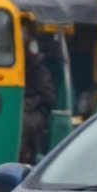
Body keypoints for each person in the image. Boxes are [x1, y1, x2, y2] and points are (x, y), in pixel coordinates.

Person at [20, 27, 57, 164]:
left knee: (24, 123)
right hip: (16, 108)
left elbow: (49, 97)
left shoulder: (37, 69)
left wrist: (28, 103)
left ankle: (26, 160)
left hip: (34, 112)